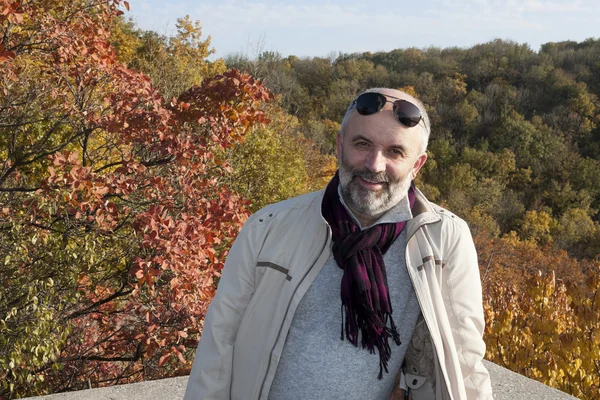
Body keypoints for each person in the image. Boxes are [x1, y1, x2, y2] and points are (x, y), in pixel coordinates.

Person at [184, 88, 493, 400]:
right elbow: (219, 342)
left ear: (417, 165)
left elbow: (464, 357)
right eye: (363, 144)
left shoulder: (444, 237)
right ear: (339, 145)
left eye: (395, 152)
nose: (374, 164)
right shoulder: (269, 228)